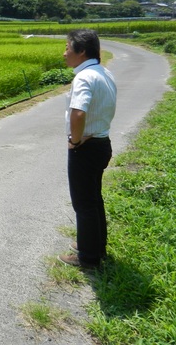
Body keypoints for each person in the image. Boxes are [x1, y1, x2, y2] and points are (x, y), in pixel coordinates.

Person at [58, 29, 117, 269]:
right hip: (102, 143)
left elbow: (79, 112)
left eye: (67, 48)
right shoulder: (104, 72)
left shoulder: (83, 77)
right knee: (93, 199)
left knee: (83, 203)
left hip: (86, 147)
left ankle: (88, 257)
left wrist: (74, 139)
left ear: (81, 51)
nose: (64, 53)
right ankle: (94, 245)